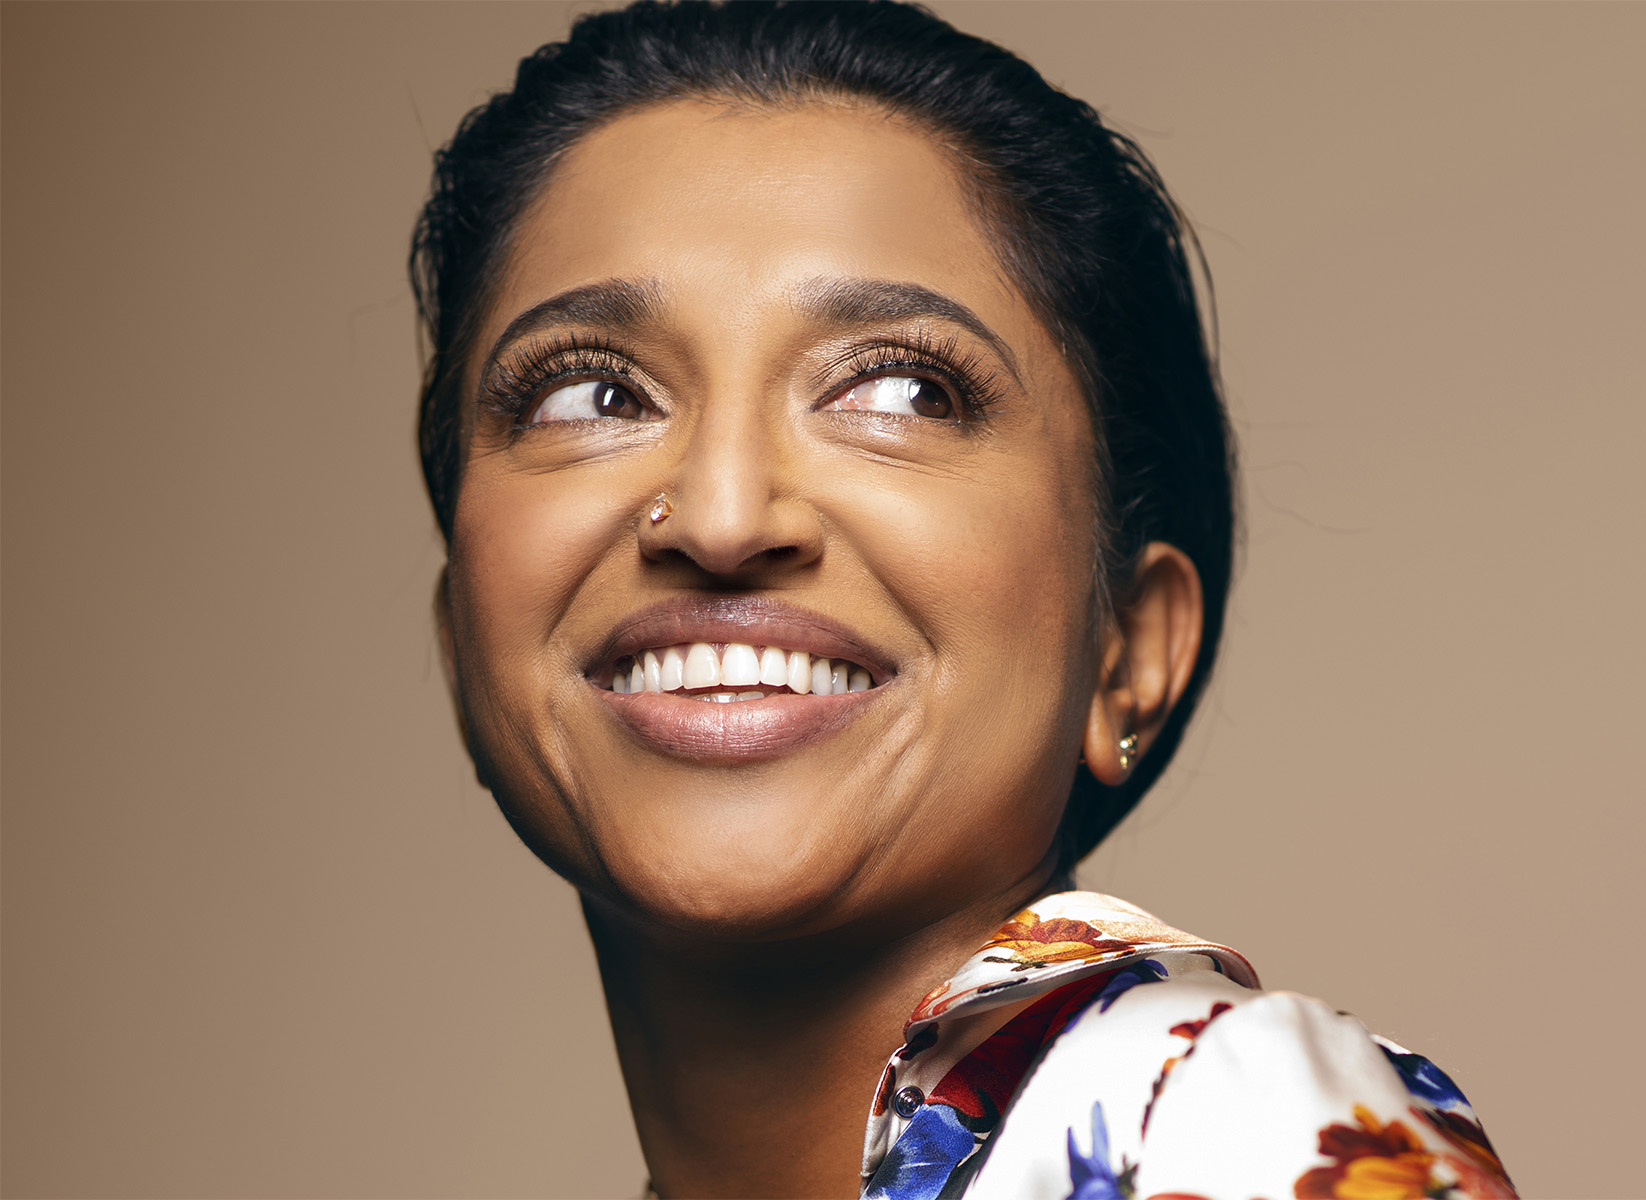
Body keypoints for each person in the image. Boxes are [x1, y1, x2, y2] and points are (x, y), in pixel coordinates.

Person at [411, 3, 1517, 1197]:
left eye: (902, 390)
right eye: (591, 396)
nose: (724, 516)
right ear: (460, 644)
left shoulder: (1223, 1128)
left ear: (1125, 649)